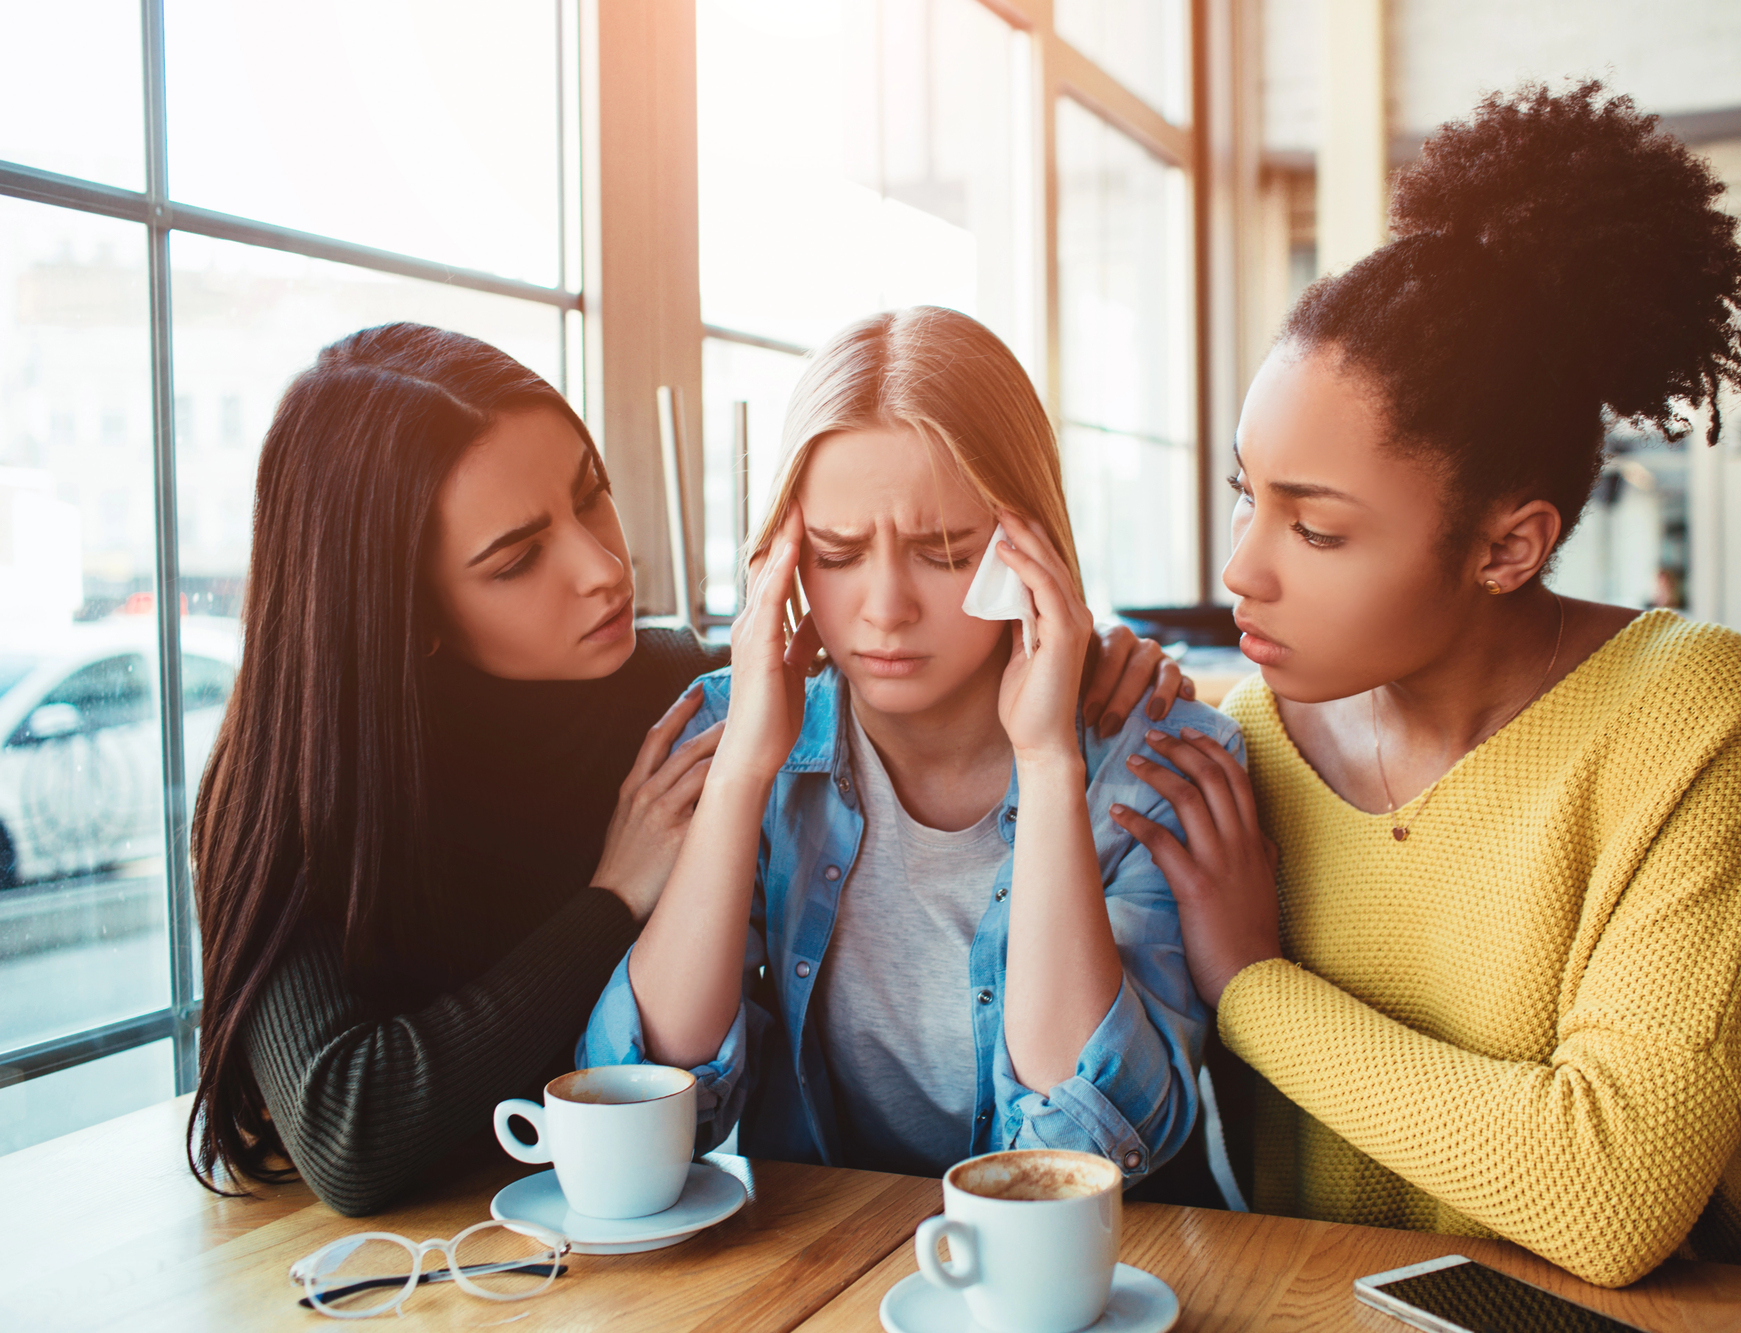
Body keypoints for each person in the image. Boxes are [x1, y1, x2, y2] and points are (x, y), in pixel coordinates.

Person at [1110, 84, 1741, 1287]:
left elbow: (1612, 1193)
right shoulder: (1237, 738)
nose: (1237, 567)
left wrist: (1252, 983)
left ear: (1505, 547)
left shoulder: (1689, 708)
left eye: (1315, 531)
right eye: (1246, 494)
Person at [186, 322, 1189, 1214]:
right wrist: (613, 898)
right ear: (407, 619)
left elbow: (857, 650)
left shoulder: (670, 683)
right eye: (515, 558)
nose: (601, 569)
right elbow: (348, 1130)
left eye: (591, 497)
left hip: (637, 1219)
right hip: (472, 1230)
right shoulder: (293, 784)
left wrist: (1096, 654)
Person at [580, 307, 1229, 1185]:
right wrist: (740, 774)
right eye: (838, 554)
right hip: (827, 1271)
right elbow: (654, 1106)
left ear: (1026, 546)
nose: (885, 608)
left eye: (946, 552)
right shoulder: (734, 737)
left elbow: (1081, 1147)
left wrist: (1045, 765)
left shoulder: (1158, 762)